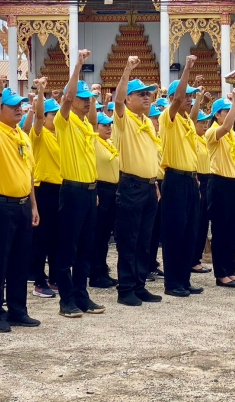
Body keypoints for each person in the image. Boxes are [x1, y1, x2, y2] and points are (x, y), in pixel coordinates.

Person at [0, 76, 40, 333]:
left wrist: (33, 205)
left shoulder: (21, 135)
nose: (19, 109)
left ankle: (18, 309)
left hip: (22, 204)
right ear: (0, 109)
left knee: (20, 260)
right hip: (0, 204)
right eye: (13, 105)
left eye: (20, 105)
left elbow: (29, 172)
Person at [54, 50, 105, 317]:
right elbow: (67, 98)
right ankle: (66, 299)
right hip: (72, 190)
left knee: (86, 247)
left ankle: (81, 295)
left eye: (89, 99)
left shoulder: (86, 125)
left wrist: (93, 188)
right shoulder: (65, 121)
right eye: (82, 99)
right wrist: (78, 65)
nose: (86, 102)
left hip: (88, 190)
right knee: (67, 247)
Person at [113, 56, 162, 306]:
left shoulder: (147, 123)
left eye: (148, 94)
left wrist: (155, 185)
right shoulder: (124, 119)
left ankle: (140, 284)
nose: (146, 97)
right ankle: (126, 288)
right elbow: (117, 100)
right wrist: (127, 70)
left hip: (149, 185)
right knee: (129, 239)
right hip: (131, 185)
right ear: (129, 99)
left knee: (145, 240)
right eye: (140, 93)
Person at [159, 56, 205, 297]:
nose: (188, 99)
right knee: (174, 232)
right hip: (175, 180)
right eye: (186, 95)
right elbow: (177, 100)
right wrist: (187, 68)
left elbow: (193, 111)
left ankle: (184, 279)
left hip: (189, 180)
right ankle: (172, 282)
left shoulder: (187, 121)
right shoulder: (168, 117)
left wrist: (197, 95)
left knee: (190, 231)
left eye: (191, 96)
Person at [206, 91, 235, 288]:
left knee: (233, 230)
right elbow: (227, 125)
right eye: (226, 111)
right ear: (217, 115)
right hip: (219, 182)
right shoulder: (212, 132)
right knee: (221, 230)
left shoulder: (233, 135)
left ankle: (230, 270)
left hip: (234, 182)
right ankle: (221, 273)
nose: (230, 113)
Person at [29, 78, 62, 297]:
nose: (56, 118)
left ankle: (55, 278)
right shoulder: (39, 135)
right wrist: (41, 92)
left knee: (57, 237)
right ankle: (39, 281)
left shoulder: (61, 135)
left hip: (60, 189)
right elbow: (39, 117)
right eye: (53, 115)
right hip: (44, 189)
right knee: (42, 238)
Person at [90, 112, 120, 288]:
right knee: (98, 233)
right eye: (104, 125)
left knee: (105, 234)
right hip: (100, 188)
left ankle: (102, 269)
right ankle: (95, 272)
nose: (109, 128)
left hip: (112, 190)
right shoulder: (94, 141)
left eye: (110, 125)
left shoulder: (109, 143)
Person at [190, 89, 213, 275]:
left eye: (206, 122)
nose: (205, 125)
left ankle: (197, 257)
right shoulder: (192, 139)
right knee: (196, 222)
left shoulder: (204, 139)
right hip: (197, 179)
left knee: (204, 222)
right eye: (201, 122)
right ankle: (192, 259)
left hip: (208, 180)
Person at [148, 104, 165, 282]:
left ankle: (152, 263)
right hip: (152, 181)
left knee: (156, 228)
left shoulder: (159, 137)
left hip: (161, 182)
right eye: (154, 118)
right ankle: (145, 266)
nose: (157, 122)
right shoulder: (146, 137)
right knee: (149, 228)